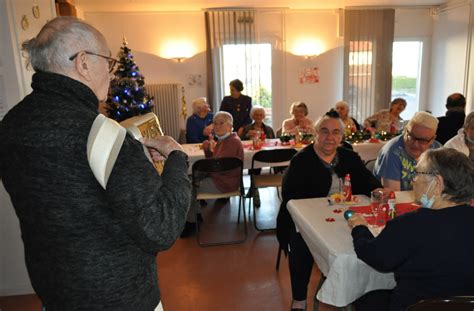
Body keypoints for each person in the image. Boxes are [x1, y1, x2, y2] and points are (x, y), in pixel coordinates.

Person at [0, 17, 191, 310]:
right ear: (84, 63)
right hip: (119, 296)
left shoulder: (11, 125)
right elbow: (161, 229)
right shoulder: (101, 133)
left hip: (55, 288)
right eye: (108, 62)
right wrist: (177, 159)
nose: (111, 73)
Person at [276, 112, 382, 311]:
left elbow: (368, 181)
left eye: (335, 133)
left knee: (368, 238)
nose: (330, 137)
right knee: (301, 244)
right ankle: (299, 298)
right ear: (316, 133)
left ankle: (358, 292)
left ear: (342, 136)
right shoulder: (301, 160)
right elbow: (289, 195)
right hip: (307, 218)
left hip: (346, 215)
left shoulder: (349, 157)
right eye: (324, 131)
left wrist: (377, 190)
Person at [348, 148, 474, 311]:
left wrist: (359, 228)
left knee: (366, 299)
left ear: (437, 184)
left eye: (418, 173)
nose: (413, 180)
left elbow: (375, 257)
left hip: (415, 306)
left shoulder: (409, 224)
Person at [181, 111, 244, 237]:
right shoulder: (225, 140)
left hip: (225, 183)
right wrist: (207, 149)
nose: (218, 126)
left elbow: (217, 167)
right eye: (215, 123)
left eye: (222, 123)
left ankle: (192, 222)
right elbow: (215, 163)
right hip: (222, 179)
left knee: (189, 186)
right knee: (191, 181)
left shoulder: (231, 142)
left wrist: (200, 175)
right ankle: (196, 216)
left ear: (230, 126)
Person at [373, 111, 442, 191]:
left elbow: (443, 189)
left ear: (432, 139)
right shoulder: (392, 151)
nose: (415, 144)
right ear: (405, 130)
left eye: (422, 140)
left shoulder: (438, 151)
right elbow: (393, 195)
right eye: (412, 137)